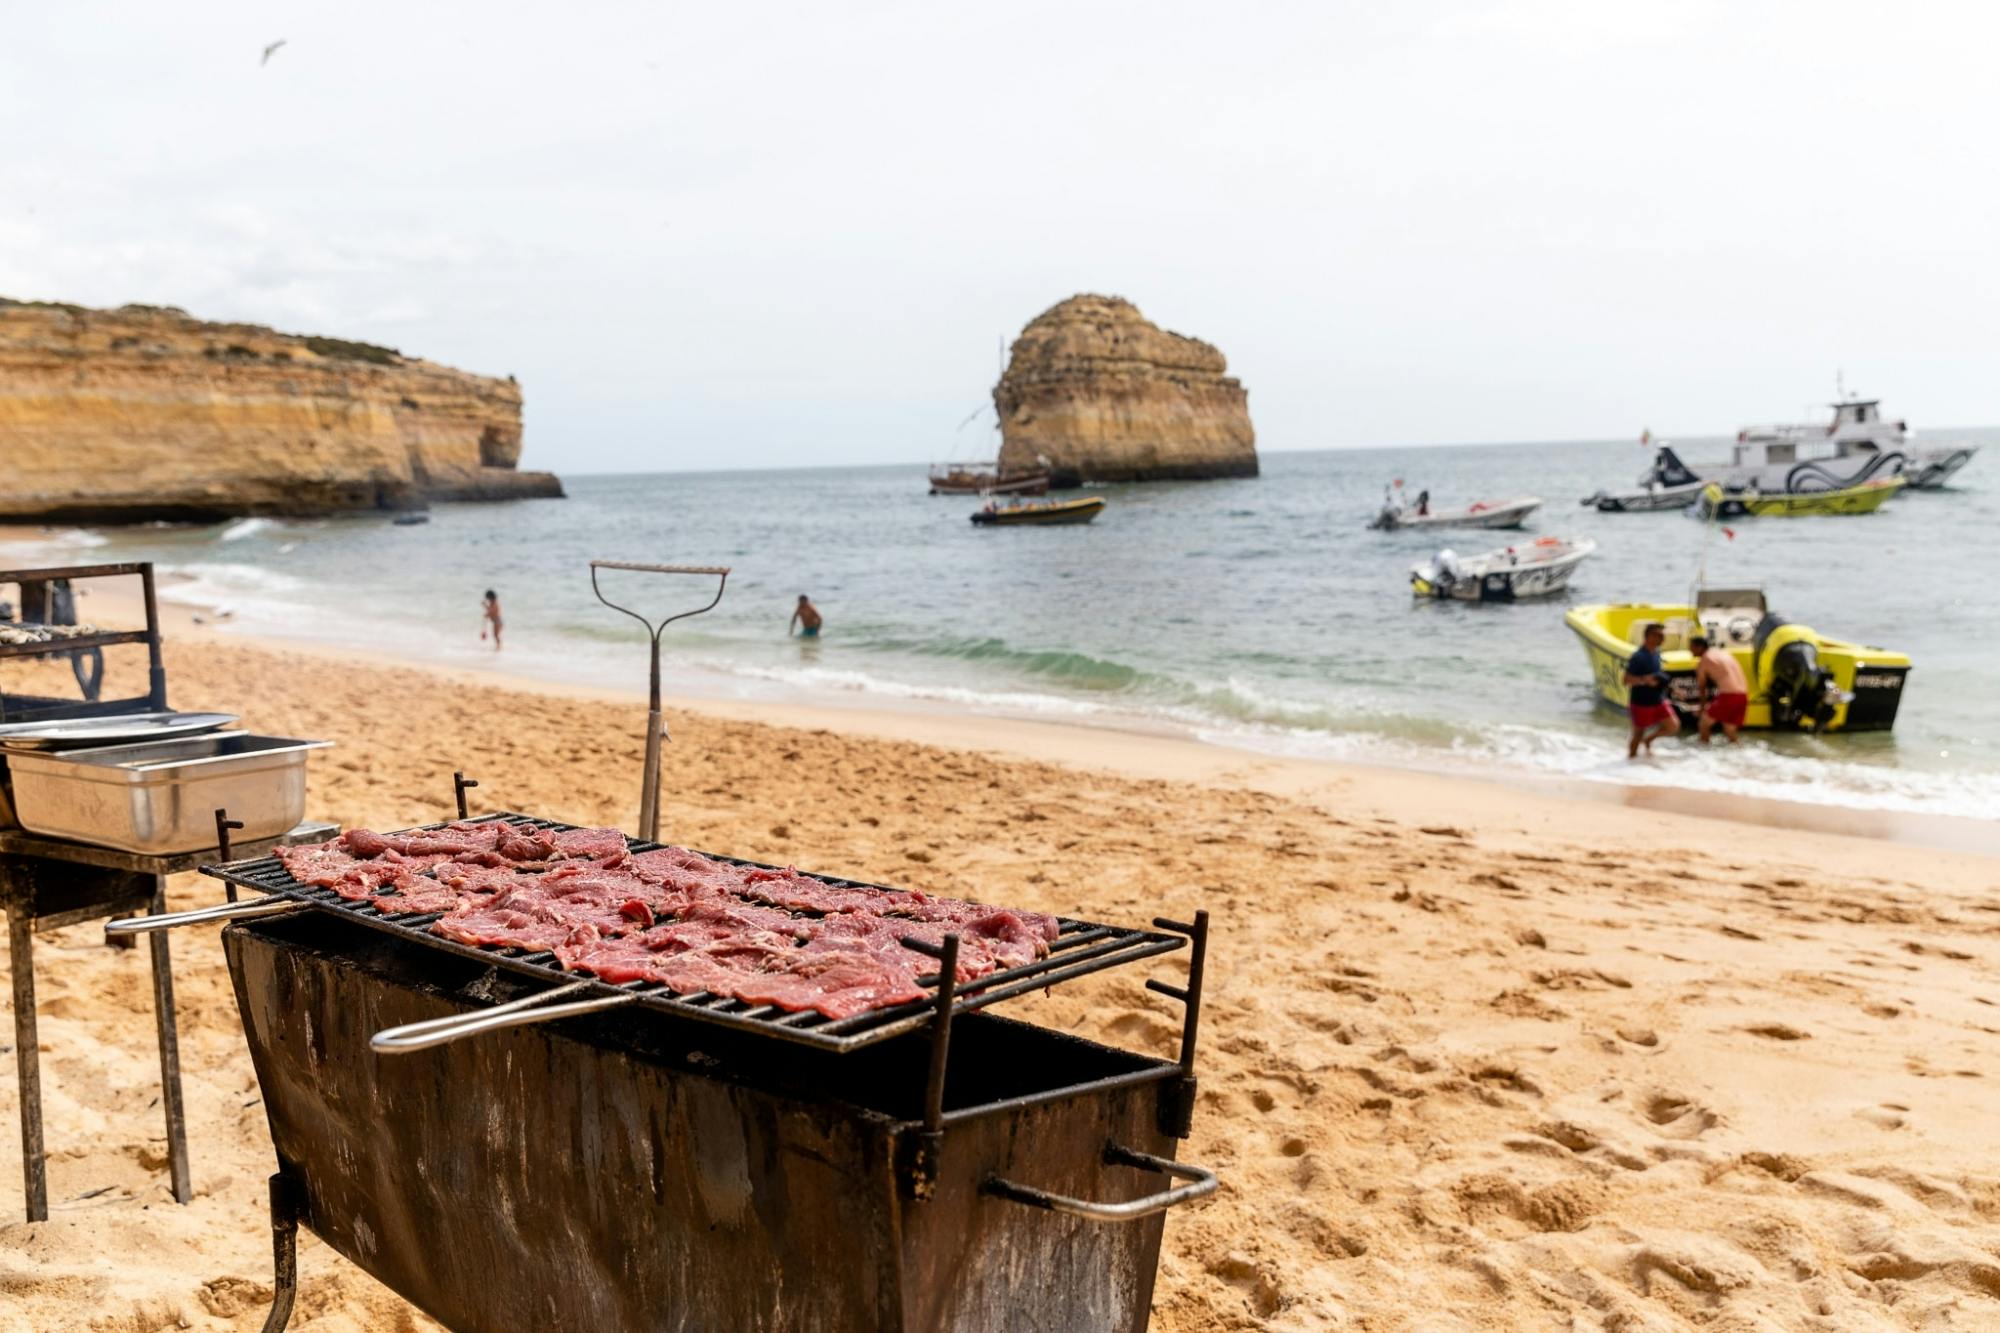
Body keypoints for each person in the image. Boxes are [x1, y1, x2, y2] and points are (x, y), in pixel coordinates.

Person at [1623, 622, 1680, 758]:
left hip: (1658, 699)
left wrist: (1673, 688)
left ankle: (1649, 740)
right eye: (1657, 635)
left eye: (1662, 635)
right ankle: (1630, 761)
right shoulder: (1638, 656)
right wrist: (1644, 680)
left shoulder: (1656, 653)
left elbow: (1657, 675)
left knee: (1673, 726)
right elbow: (1625, 680)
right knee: (1638, 734)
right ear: (1647, 636)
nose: (1661, 638)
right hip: (1641, 702)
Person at [1690, 634, 1748, 745]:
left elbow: (1702, 688)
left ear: (1699, 647)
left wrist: (1702, 709)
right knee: (1729, 730)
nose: (1690, 650)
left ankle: (1703, 754)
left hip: (1729, 695)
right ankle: (1738, 753)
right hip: (1743, 695)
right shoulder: (1722, 653)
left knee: (1703, 724)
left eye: (1691, 647)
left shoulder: (1704, 661)